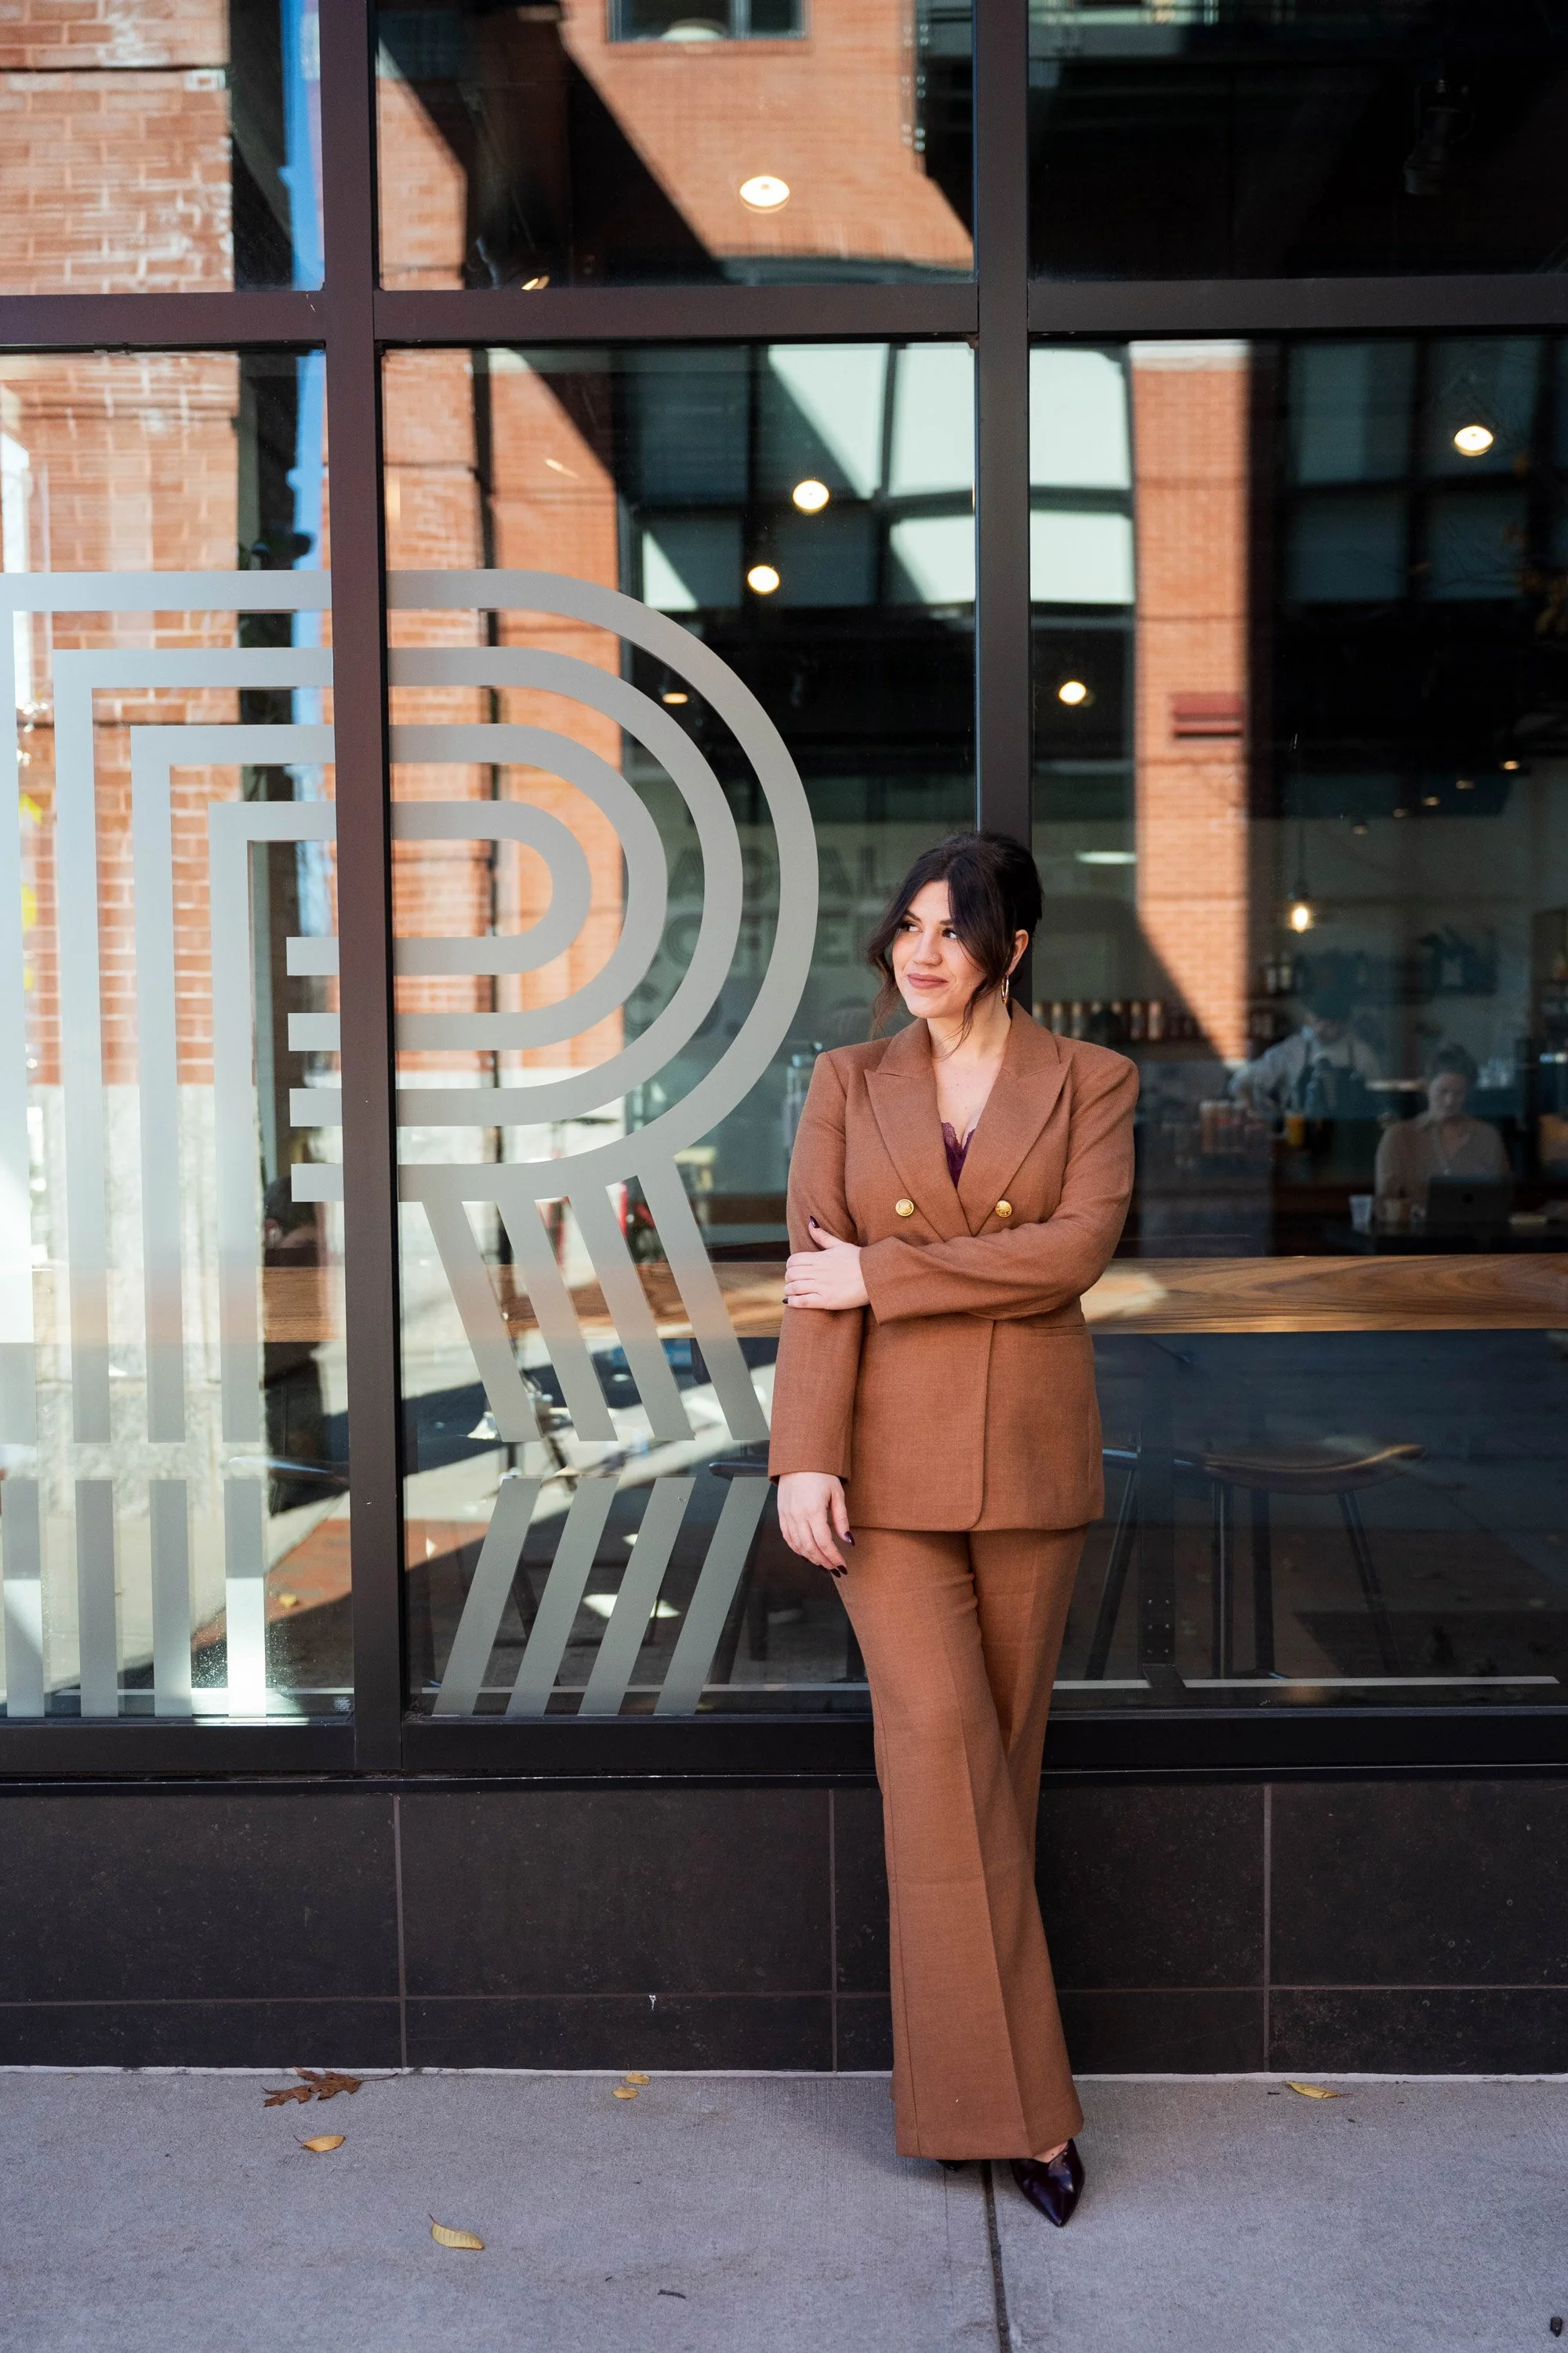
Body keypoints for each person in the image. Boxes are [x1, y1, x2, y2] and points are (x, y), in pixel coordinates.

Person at [768, 831, 1138, 2228]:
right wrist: (801, 1455)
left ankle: (969, 2096)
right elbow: (813, 1279)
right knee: (940, 1759)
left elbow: (1075, 1250)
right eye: (909, 927)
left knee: (1002, 1775)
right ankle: (1030, 2116)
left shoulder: (1092, 1081)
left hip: (1032, 1474)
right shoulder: (847, 1081)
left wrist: (890, 1270)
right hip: (883, 1476)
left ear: (1014, 948)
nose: (921, 953)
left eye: (953, 929)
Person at [1374, 1044, 1508, 1212]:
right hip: (1414, 1234)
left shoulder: (1486, 1136)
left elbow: (1502, 1197)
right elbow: (1385, 1202)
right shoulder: (1399, 1137)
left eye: (1458, 1093)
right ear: (1427, 1087)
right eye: (1442, 1091)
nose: (1449, 1101)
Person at [1232, 979, 1381, 1117]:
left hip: (1349, 1136)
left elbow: (1378, 1100)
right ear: (1309, 1018)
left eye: (1329, 1025)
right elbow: (1242, 1080)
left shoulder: (1361, 1054)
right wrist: (1251, 1107)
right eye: (1316, 1022)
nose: (1320, 1030)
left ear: (1344, 1024)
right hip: (1298, 1135)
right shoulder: (1293, 1049)